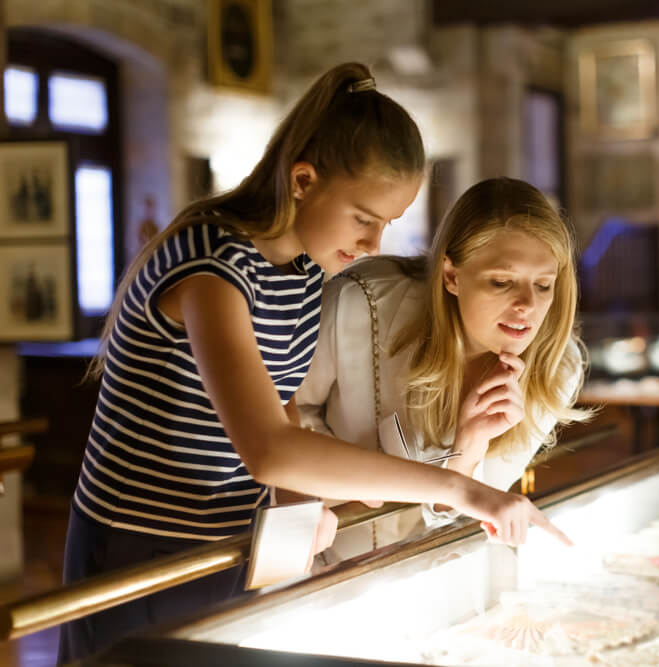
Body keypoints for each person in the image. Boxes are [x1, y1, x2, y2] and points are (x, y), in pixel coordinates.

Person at [59, 64, 568, 663]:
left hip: (231, 541)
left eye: (387, 224)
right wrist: (462, 489)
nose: (375, 244)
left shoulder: (303, 274)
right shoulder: (210, 264)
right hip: (140, 545)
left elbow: (285, 407)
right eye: (364, 218)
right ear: (303, 180)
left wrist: (301, 504)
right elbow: (269, 447)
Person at [297, 177, 591, 561]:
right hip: (322, 562)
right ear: (452, 275)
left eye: (543, 285)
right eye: (502, 282)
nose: (527, 305)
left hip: (435, 575)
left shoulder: (556, 368)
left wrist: (467, 453)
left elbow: (465, 520)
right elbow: (284, 413)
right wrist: (324, 485)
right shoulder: (359, 304)